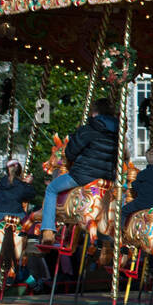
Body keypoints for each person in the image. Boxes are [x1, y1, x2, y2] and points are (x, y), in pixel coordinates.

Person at [40, 98, 119, 245]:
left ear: (94, 112)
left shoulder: (88, 129)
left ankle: (48, 230)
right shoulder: (117, 133)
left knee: (51, 189)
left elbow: (70, 153)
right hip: (107, 179)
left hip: (83, 176)